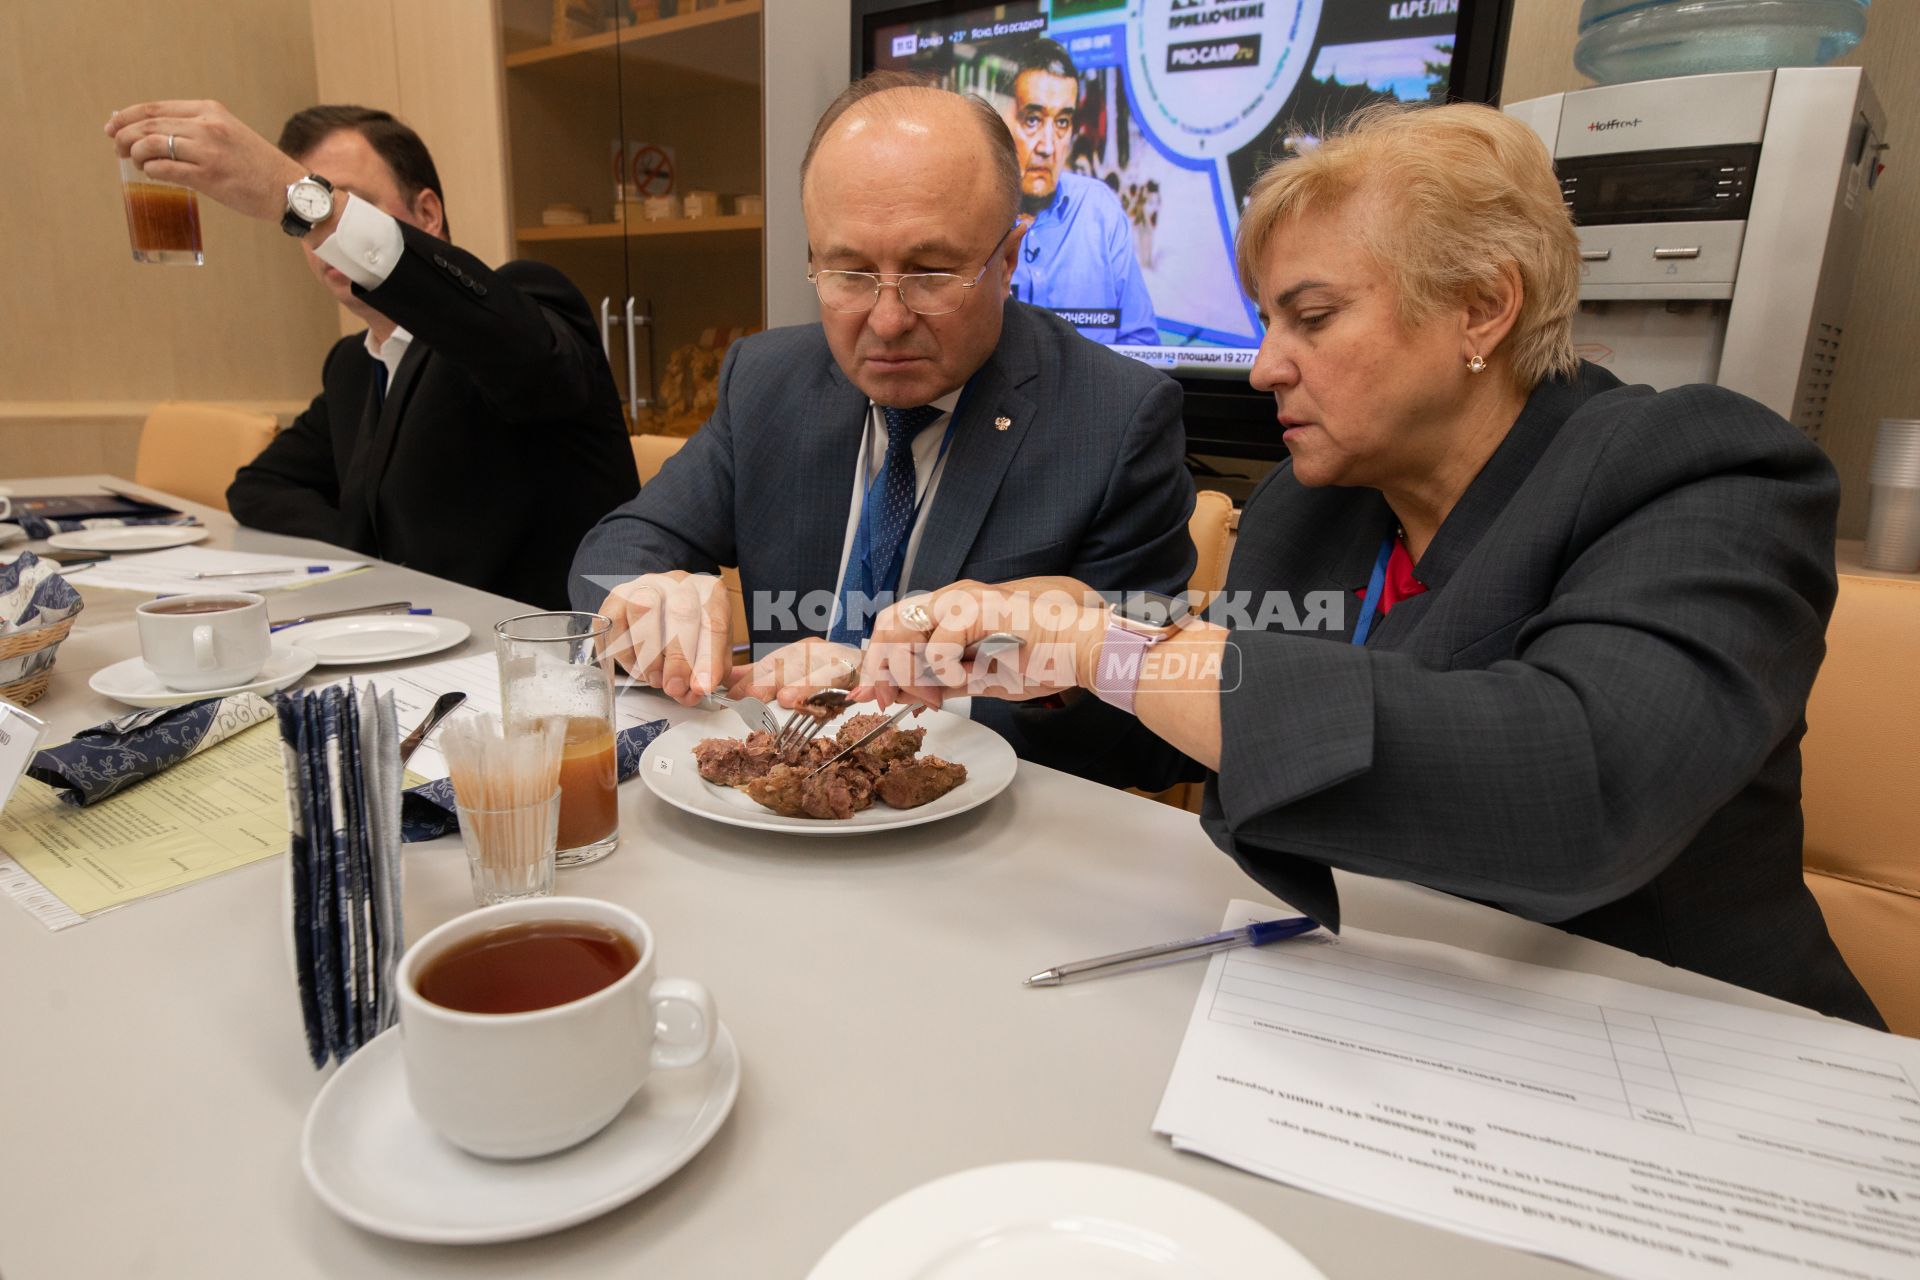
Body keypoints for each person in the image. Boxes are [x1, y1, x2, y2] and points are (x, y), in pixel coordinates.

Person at [850, 103, 1883, 1027]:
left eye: (1313, 317)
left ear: (1482, 305)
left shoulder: (1704, 472)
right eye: (1264, 321)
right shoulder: (1313, 506)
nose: (1264, 368)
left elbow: (1582, 784)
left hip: (1690, 1050)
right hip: (1411, 1019)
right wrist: (1030, 653)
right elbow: (1232, 736)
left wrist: (1120, 648)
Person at [569, 72, 1194, 765]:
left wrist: (967, 678)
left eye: (930, 273)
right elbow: (626, 541)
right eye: (850, 274)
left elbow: (1144, 735)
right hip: (773, 811)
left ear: (1008, 259)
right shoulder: (768, 381)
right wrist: (646, 597)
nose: (888, 320)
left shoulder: (1115, 419)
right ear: (813, 261)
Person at [104, 101, 637, 609]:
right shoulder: (353, 366)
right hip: (405, 638)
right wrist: (371, 553)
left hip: (549, 664)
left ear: (427, 213)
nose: (319, 235)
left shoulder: (520, 302)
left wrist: (292, 194)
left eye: (346, 204)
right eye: (303, 221)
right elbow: (258, 488)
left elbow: (525, 358)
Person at [1002, 40, 1159, 347]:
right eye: (1032, 120)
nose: (1048, 147)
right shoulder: (969, 218)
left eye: (1062, 122)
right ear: (1001, 122)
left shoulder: (1099, 209)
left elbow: (1142, 343)